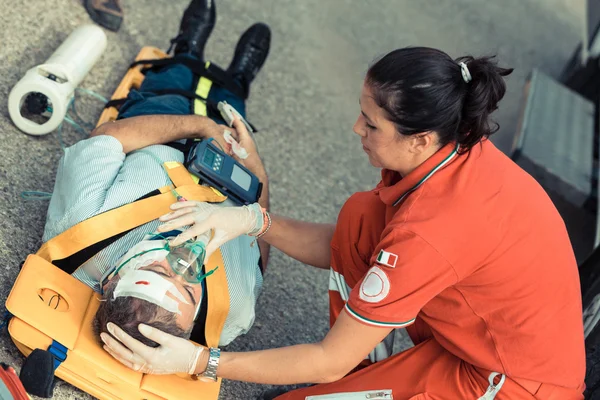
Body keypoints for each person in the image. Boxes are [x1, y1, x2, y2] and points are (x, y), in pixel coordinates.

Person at [101, 47, 586, 399]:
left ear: (419, 140)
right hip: (476, 327)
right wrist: (251, 220)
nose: (357, 128)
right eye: (363, 112)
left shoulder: (430, 231)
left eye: (372, 125)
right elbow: (352, 244)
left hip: (507, 383)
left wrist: (199, 361)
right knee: (361, 217)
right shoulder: (451, 145)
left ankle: (366, 372)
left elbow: (327, 362)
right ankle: (370, 367)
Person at [42, 0, 272, 348]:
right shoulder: (228, 314)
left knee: (173, 80)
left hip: (161, 128)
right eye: (191, 290)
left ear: (110, 282)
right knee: (232, 108)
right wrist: (258, 170)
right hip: (233, 170)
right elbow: (261, 242)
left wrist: (199, 125)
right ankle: (239, 81)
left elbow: (109, 138)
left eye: (158, 271)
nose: (185, 263)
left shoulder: (80, 231)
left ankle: (187, 48)